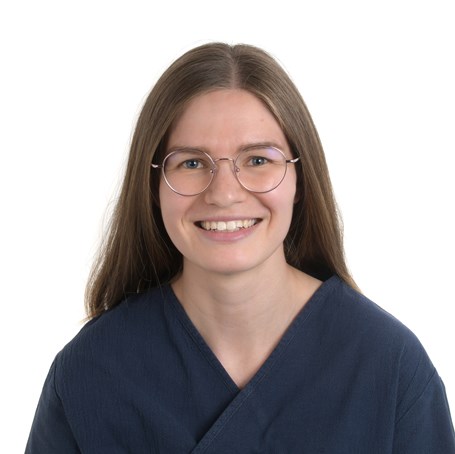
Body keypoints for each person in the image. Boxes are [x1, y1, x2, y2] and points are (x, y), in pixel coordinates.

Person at [25, 42, 455, 453]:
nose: (224, 193)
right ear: (153, 185)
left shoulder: (389, 367)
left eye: (258, 160)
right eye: (192, 163)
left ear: (300, 179)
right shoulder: (90, 373)